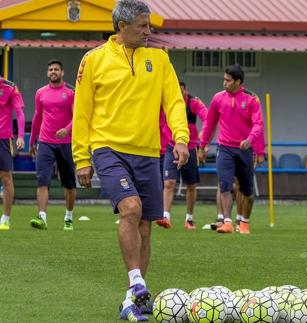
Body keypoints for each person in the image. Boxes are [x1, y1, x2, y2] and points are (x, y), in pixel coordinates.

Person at [72, 0, 190, 321]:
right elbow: (81, 112)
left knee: (145, 226)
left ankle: (131, 300)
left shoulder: (160, 59)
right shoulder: (93, 60)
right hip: (107, 147)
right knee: (131, 208)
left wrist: (181, 138)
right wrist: (81, 157)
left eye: (149, 25)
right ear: (121, 27)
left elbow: (174, 103)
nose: (148, 32)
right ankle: (138, 282)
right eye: (142, 26)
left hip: (149, 151)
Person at [198, 64, 264, 234]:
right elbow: (209, 123)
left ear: (238, 82)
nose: (224, 83)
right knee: (225, 184)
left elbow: (258, 124)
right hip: (224, 148)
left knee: (247, 189)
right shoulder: (218, 98)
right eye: (224, 79)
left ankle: (244, 222)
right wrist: (202, 145)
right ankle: (227, 221)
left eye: (228, 80)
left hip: (244, 150)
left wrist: (250, 140)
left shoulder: (252, 99)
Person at [28, 59, 77, 231]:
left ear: (62, 72)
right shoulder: (40, 92)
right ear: (47, 73)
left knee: (70, 184)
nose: (53, 72)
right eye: (50, 69)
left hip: (66, 143)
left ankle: (69, 217)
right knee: (42, 180)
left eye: (56, 69)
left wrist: (67, 129)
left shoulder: (71, 92)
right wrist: (32, 139)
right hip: (45, 142)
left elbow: (77, 116)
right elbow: (37, 117)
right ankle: (42, 217)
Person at [157, 81, 207, 230]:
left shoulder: (193, 102)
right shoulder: (164, 103)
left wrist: (203, 137)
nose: (178, 94)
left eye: (181, 91)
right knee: (168, 182)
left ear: (185, 91)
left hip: (190, 148)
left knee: (191, 185)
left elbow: (208, 118)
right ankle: (165, 216)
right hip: (171, 147)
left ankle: (189, 219)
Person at [0, 77, 25, 231]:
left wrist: (21, 136)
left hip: (3, 138)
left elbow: (20, 112)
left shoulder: (10, 87)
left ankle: (5, 219)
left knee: (6, 178)